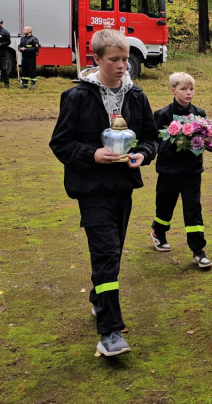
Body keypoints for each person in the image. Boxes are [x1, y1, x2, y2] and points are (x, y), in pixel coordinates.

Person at [49, 29, 158, 357]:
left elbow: (152, 138)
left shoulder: (137, 95)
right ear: (96, 59)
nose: (122, 65)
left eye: (125, 59)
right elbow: (61, 143)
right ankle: (110, 332)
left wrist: (144, 155)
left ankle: (99, 298)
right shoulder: (77, 97)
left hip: (123, 188)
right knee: (107, 253)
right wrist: (92, 154)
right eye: (114, 60)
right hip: (90, 188)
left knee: (113, 252)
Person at [150, 72, 212, 269]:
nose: (188, 92)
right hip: (169, 171)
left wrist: (210, 142)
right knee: (165, 205)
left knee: (193, 208)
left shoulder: (200, 113)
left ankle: (198, 250)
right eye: (183, 89)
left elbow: (207, 139)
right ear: (173, 90)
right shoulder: (162, 115)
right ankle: (158, 232)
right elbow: (155, 143)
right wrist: (178, 142)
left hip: (192, 171)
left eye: (191, 89)